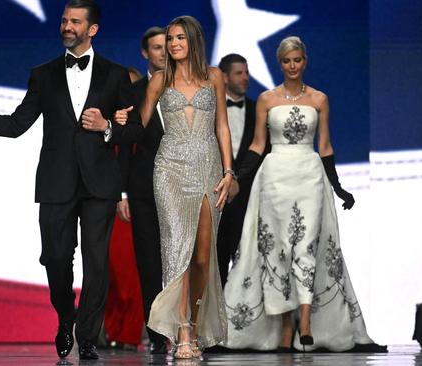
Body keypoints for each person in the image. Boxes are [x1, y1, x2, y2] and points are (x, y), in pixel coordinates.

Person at [0, 0, 143, 360]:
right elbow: (18, 124)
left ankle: (88, 336)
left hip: (99, 183)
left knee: (97, 262)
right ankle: (66, 316)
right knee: (54, 257)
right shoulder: (43, 74)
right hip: (56, 181)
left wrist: (107, 127)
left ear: (92, 29)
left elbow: (135, 132)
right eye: (64, 20)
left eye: (75, 22)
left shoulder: (115, 76)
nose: (67, 26)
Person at [223, 36, 381, 352]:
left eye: (297, 60)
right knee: (278, 249)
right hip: (275, 177)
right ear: (279, 64)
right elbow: (256, 145)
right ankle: (285, 327)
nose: (292, 66)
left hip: (310, 175)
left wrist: (337, 186)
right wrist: (237, 177)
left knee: (306, 245)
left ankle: (305, 324)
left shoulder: (320, 99)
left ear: (304, 62)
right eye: (286, 61)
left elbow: (325, 146)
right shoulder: (266, 100)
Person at [116, 16, 234, 359]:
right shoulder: (158, 79)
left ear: (193, 40)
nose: (173, 44)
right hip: (169, 170)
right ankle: (181, 331)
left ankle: (194, 324)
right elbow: (139, 127)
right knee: (177, 252)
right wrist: (119, 123)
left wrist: (229, 171)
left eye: (179, 38)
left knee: (201, 257)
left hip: (208, 168)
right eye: (170, 39)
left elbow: (223, 126)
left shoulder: (214, 77)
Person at [115, 26, 169, 354]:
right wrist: (122, 194)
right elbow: (123, 148)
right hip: (144, 188)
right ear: (145, 53)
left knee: (185, 260)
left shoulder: (189, 87)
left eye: (168, 45)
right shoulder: (131, 95)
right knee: (149, 261)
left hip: (185, 187)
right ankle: (157, 333)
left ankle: (189, 328)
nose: (164, 51)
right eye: (157, 47)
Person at [215, 53, 269, 287]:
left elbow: (264, 153)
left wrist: (238, 180)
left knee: (247, 264)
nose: (246, 77)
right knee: (214, 265)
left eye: (247, 72)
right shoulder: (209, 109)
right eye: (239, 73)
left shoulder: (260, 109)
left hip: (249, 199)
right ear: (224, 77)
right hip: (215, 196)